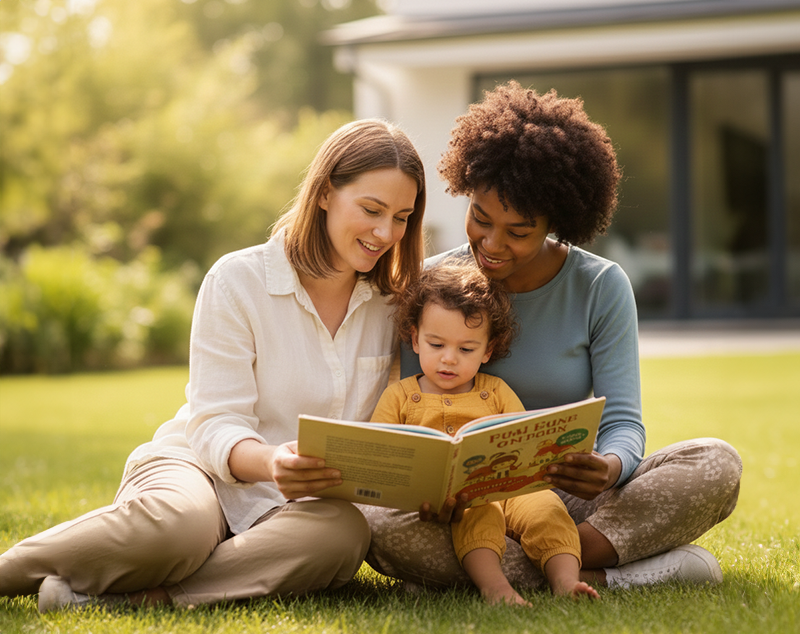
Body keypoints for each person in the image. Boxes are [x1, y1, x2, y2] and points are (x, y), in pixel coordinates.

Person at [0, 119, 427, 611]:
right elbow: (215, 421)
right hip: (198, 467)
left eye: (401, 217)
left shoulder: (396, 306)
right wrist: (271, 462)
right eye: (371, 209)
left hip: (298, 507)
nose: (384, 233)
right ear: (326, 193)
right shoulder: (238, 280)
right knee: (180, 530)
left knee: (343, 534)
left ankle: (144, 600)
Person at [360, 81, 742, 592]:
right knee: (377, 528)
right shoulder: (432, 286)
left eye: (518, 231)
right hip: (466, 509)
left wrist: (609, 466)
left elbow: (624, 422)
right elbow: (411, 418)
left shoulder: (600, 286)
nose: (491, 245)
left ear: (556, 223)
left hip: (563, 496)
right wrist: (423, 490)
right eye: (480, 218)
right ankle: (618, 575)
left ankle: (513, 568)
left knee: (715, 464)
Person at [369, 263, 599, 604]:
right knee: (480, 512)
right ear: (415, 339)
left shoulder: (495, 391)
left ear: (487, 351)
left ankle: (566, 581)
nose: (449, 360)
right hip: (452, 502)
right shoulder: (400, 395)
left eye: (466, 350)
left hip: (512, 489)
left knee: (547, 508)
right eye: (436, 345)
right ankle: (496, 587)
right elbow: (380, 452)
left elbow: (526, 441)